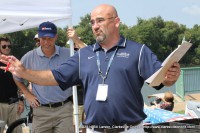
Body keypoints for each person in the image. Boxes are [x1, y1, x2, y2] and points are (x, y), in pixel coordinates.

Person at [0, 4, 181, 133]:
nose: (95, 26)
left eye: (100, 20)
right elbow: (53, 76)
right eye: (92, 22)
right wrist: (24, 72)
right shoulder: (84, 54)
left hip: (130, 129)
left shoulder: (138, 51)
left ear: (116, 21)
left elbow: (161, 79)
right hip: (94, 129)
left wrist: (170, 77)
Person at [13, 21, 77, 133]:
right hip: (40, 111)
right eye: (43, 38)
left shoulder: (69, 53)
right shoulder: (29, 57)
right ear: (39, 37)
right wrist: (27, 94)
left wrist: (77, 40)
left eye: (50, 38)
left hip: (64, 110)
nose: (46, 42)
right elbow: (16, 76)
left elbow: (90, 56)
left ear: (56, 37)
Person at [0, 37, 24, 133]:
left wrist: (21, 101)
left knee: (17, 131)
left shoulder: (15, 62)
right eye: (4, 46)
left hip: (14, 104)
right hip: (0, 105)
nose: (7, 48)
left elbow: (21, 83)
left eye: (9, 46)